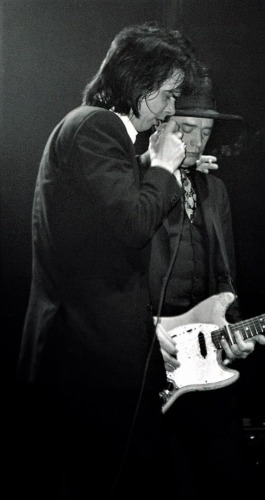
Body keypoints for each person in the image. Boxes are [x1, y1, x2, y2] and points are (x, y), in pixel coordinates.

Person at [15, 22, 205, 499]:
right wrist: (161, 167)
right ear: (135, 83)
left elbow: (102, 215)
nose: (171, 109)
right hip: (88, 361)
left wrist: (153, 167)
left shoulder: (94, 133)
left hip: (92, 355)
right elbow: (133, 222)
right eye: (166, 94)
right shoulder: (96, 126)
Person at [144, 75, 265, 500]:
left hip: (207, 353)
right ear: (161, 125)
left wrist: (231, 329)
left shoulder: (214, 188)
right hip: (153, 349)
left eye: (206, 132)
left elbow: (225, 275)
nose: (196, 142)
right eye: (185, 129)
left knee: (228, 479)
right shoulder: (140, 180)